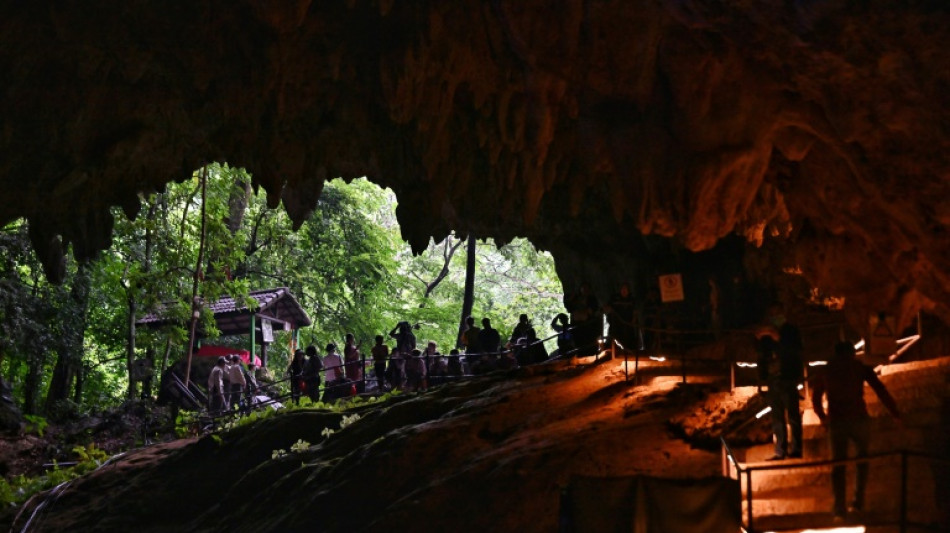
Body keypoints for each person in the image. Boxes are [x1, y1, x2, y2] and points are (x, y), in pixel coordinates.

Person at [812, 341, 901, 520]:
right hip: (858, 418)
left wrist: (822, 417)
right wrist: (895, 413)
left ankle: (839, 509)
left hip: (837, 420)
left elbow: (816, 397)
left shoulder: (827, 369)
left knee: (838, 466)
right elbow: (880, 389)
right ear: (852, 353)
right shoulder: (858, 367)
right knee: (862, 461)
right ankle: (857, 503)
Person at [755, 305, 804, 460]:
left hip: (788, 377)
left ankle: (796, 449)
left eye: (777, 313)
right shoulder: (767, 335)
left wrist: (779, 339)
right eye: (773, 313)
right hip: (773, 378)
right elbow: (762, 354)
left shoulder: (791, 331)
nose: (775, 316)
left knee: (793, 415)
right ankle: (780, 450)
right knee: (777, 417)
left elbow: (796, 351)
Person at [605, 282, 638, 350]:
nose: (624, 290)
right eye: (622, 288)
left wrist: (633, 320)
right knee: (617, 339)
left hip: (628, 323)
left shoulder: (631, 299)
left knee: (628, 340)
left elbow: (635, 310)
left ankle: (629, 351)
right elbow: (607, 307)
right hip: (617, 324)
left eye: (625, 289)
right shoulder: (614, 298)